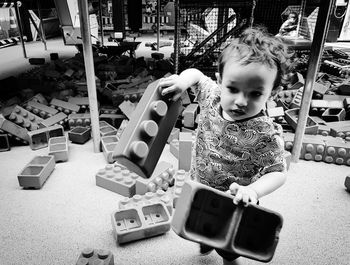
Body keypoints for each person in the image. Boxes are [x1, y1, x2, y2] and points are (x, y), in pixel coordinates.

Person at [159, 27, 292, 265]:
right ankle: (205, 239)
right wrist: (182, 81)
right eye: (233, 89)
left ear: (272, 93)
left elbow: (278, 173)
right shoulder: (213, 95)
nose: (241, 101)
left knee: (229, 250)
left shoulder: (264, 132)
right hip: (201, 182)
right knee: (200, 223)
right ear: (221, 82)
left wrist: (254, 191)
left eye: (255, 94)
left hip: (235, 202)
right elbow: (197, 75)